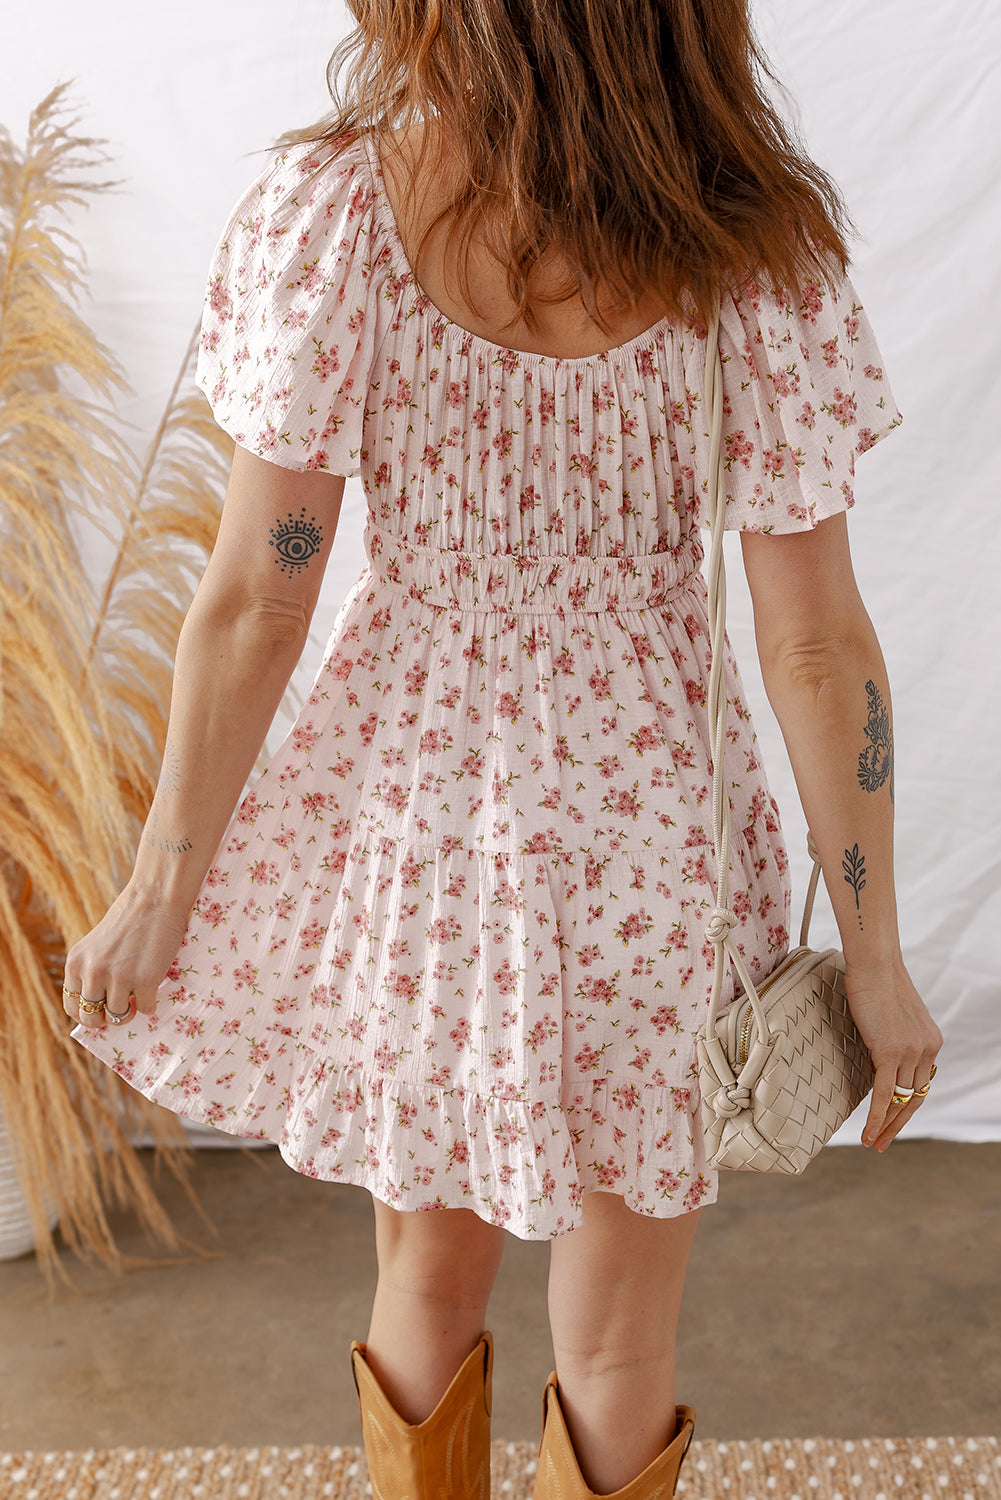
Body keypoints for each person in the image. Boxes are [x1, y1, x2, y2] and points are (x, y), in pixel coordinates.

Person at [64, 3, 943, 1497]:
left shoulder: (340, 217)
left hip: (424, 823)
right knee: (619, 1344)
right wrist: (873, 957)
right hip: (655, 836)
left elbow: (260, 598)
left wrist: (161, 889)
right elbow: (815, 650)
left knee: (423, 1287)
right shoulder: (753, 249)